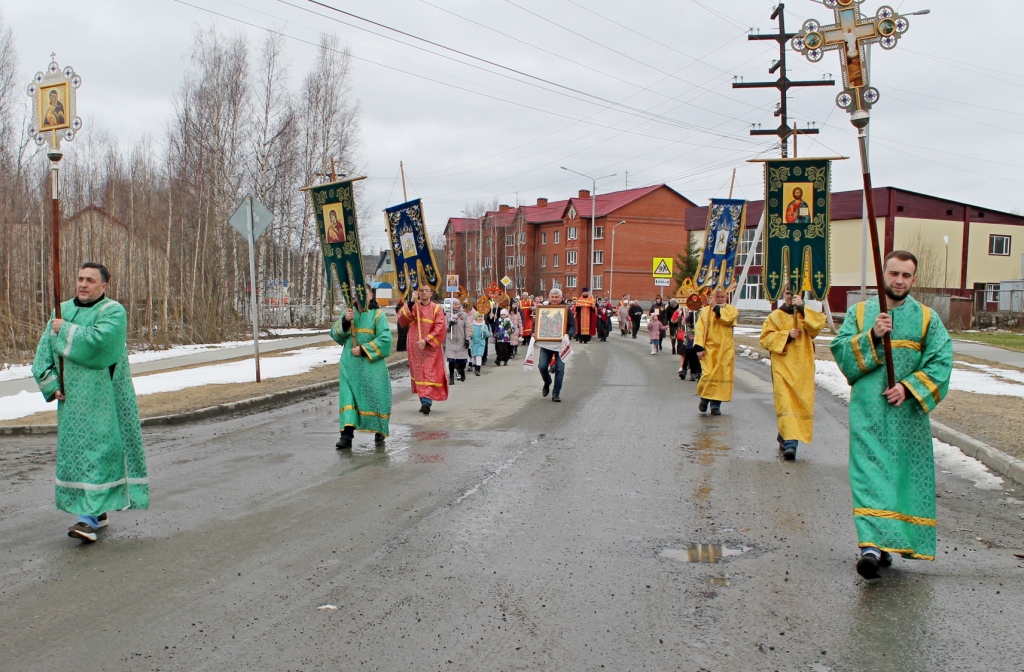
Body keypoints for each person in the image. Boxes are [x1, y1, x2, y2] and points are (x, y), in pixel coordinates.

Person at [830, 251, 953, 580]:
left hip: (907, 419)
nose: (899, 280)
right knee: (868, 478)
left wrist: (909, 387)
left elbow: (941, 362)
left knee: (898, 482)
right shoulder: (859, 313)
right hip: (868, 414)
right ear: (883, 275)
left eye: (906, 275)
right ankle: (869, 546)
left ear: (913, 279)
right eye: (894, 273)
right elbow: (841, 353)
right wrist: (872, 335)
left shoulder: (927, 319)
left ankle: (886, 542)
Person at [31, 262, 149, 543]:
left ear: (104, 286)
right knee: (77, 457)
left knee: (98, 454)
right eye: (80, 279)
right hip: (72, 403)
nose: (83, 284)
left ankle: (87, 520)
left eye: (90, 280)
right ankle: (97, 512)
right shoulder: (62, 310)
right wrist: (52, 385)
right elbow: (43, 353)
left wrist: (65, 330)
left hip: (103, 399)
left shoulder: (113, 312)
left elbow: (101, 346)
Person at [759, 288, 826, 460]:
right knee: (786, 404)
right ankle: (791, 444)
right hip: (782, 367)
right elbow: (765, 339)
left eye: (795, 294)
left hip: (802, 367)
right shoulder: (775, 316)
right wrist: (786, 335)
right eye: (788, 293)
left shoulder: (806, 313)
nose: (791, 296)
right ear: (784, 294)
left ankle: (784, 435)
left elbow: (818, 326)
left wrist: (803, 308)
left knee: (799, 404)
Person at [330, 292, 392, 450]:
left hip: (372, 366)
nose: (361, 297)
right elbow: (336, 335)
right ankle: (346, 436)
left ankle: (379, 431)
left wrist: (364, 349)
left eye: (365, 293)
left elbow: (385, 340)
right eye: (358, 294)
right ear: (354, 297)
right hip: (350, 365)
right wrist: (345, 320)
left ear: (370, 295)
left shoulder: (377, 316)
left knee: (375, 398)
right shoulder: (349, 313)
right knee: (348, 399)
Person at [397, 285, 448, 415]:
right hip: (415, 346)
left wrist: (426, 340)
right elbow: (402, 319)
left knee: (428, 373)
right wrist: (409, 302)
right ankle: (423, 401)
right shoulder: (414, 306)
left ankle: (427, 402)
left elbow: (440, 327)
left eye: (426, 290)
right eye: (421, 290)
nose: (424, 293)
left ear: (431, 293)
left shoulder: (437, 309)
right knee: (419, 373)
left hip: (430, 347)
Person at [694, 287, 738, 415]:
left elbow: (729, 319)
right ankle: (704, 398)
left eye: (722, 297)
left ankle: (715, 405)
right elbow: (700, 329)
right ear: (712, 297)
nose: (719, 299)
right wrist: (699, 347)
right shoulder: (705, 312)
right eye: (717, 297)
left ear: (726, 298)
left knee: (720, 377)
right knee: (708, 374)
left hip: (725, 349)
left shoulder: (731, 309)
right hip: (709, 348)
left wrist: (716, 308)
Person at [536, 288, 576, 402]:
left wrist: (569, 334)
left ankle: (556, 393)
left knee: (560, 369)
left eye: (556, 297)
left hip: (561, 344)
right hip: (546, 343)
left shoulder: (566, 310)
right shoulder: (543, 309)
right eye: (552, 297)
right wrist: (535, 333)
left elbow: (573, 326)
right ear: (548, 298)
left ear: (561, 298)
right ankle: (547, 381)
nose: (554, 299)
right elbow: (538, 325)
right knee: (542, 366)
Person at [444, 298, 471, 383]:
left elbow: (467, 327)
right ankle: (451, 377)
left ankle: (461, 371)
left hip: (461, 340)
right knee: (451, 360)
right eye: (454, 304)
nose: (456, 306)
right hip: (451, 340)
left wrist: (467, 339)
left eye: (457, 304)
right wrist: (449, 325)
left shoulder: (464, 315)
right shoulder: (448, 315)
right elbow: (444, 329)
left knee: (461, 360)